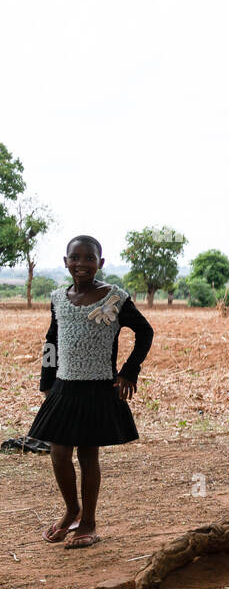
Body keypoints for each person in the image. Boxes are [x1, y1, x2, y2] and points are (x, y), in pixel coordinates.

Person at [30, 235, 153, 549]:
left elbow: (145, 331)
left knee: (87, 454)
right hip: (65, 386)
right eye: (75, 257)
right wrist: (47, 381)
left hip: (98, 387)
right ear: (65, 261)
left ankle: (89, 521)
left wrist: (129, 371)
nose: (81, 264)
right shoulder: (59, 297)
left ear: (100, 262)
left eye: (88, 258)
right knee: (58, 452)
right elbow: (51, 341)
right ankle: (71, 510)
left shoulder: (114, 298)